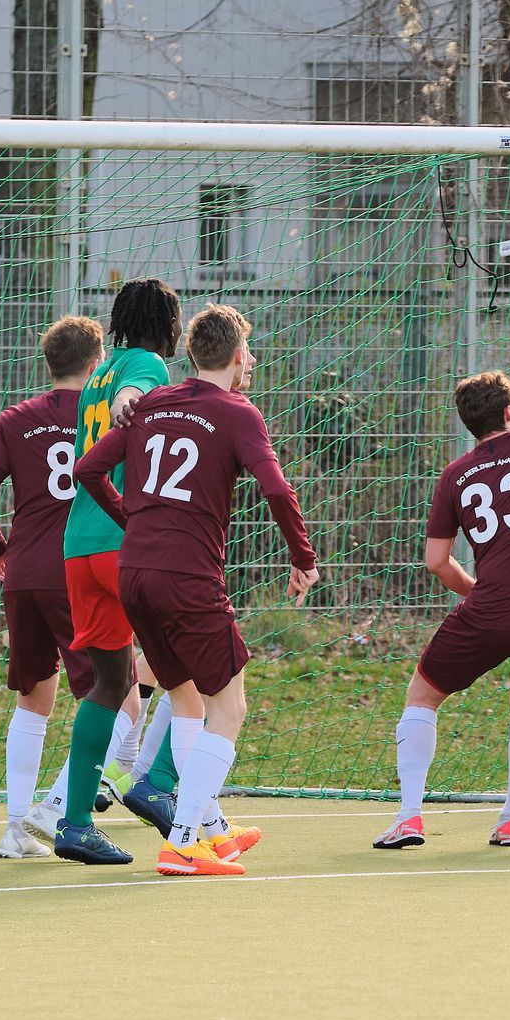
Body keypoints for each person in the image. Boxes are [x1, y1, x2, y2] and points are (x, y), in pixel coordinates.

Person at [76, 305, 319, 876]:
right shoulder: (237, 412)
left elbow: (87, 470)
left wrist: (132, 519)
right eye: (248, 352)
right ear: (235, 356)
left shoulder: (152, 404)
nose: (252, 361)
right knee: (229, 707)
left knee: (185, 696)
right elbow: (277, 490)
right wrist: (302, 558)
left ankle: (210, 829)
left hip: (135, 575)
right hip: (186, 579)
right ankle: (183, 840)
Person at [370, 372, 510, 851]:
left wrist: (476, 591)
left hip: (490, 610)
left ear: (469, 423)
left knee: (422, 696)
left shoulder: (455, 474)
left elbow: (437, 561)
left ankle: (409, 817)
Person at [48, 278, 184, 864]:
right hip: (124, 541)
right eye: (176, 319)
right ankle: (160, 785)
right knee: (208, 661)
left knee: (110, 684)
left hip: (79, 544)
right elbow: (138, 391)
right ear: (165, 323)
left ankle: (75, 823)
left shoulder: (96, 376)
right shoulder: (146, 366)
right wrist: (135, 398)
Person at [0, 317, 104, 858]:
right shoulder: (103, 416)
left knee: (33, 699)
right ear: (96, 364)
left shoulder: (15, 418)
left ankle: (15, 830)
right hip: (78, 569)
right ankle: (57, 807)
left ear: (48, 364)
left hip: (23, 574)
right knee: (116, 696)